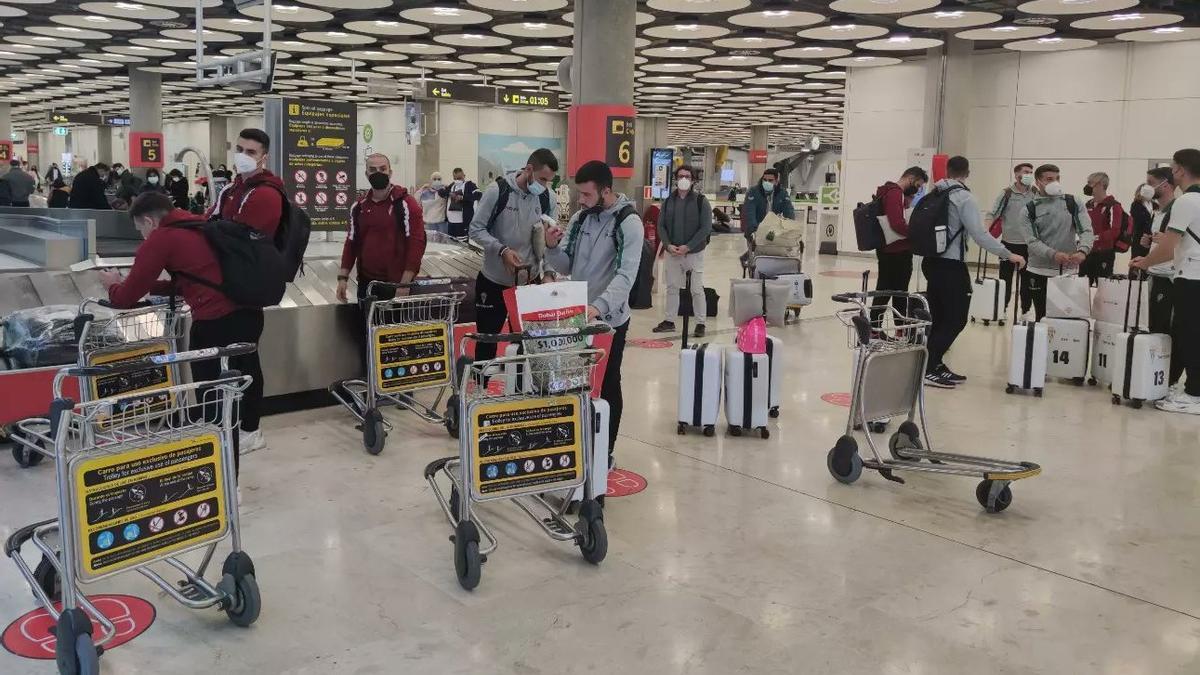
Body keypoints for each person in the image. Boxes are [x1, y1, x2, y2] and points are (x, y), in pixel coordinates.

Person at [97, 192, 260, 480]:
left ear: (148, 221)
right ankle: (231, 471)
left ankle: (223, 482)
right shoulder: (199, 224)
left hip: (214, 325)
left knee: (213, 403)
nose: (143, 237)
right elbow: (196, 278)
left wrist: (113, 285)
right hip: (248, 317)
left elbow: (125, 298)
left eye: (141, 230)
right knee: (231, 399)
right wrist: (155, 288)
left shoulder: (162, 238)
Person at [544, 160, 644, 466]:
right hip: (578, 317)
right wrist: (551, 247)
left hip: (609, 321)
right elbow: (566, 265)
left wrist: (598, 307)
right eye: (580, 194)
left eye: (587, 194)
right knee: (575, 384)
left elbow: (626, 277)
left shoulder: (628, 223)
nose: (581, 200)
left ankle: (605, 451)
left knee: (608, 383)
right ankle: (578, 445)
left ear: (606, 191)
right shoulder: (580, 219)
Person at [204, 128, 285, 452]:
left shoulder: (266, 194)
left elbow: (242, 239)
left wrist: (218, 230)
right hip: (225, 288)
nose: (242, 156)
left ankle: (251, 429)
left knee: (246, 360)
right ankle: (229, 422)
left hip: (248, 289)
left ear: (264, 157)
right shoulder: (232, 190)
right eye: (239, 148)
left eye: (250, 152)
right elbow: (212, 221)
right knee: (228, 361)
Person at [921, 156, 1026, 389]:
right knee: (957, 318)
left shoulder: (934, 194)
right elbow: (979, 234)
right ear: (967, 173)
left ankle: (933, 363)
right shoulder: (964, 197)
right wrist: (1009, 254)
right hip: (951, 266)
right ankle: (928, 368)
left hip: (931, 262)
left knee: (939, 316)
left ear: (947, 171)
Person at [335, 153, 427, 369]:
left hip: (396, 286)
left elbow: (417, 243)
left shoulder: (405, 204)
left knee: (397, 340)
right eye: (373, 170)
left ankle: (400, 388)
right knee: (368, 336)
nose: (378, 174)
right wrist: (343, 277)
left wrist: (404, 283)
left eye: (382, 169)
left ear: (390, 172)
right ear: (366, 173)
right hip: (368, 285)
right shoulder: (358, 207)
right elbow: (351, 242)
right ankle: (372, 385)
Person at [468, 148, 559, 364]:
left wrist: (548, 272)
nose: (545, 186)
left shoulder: (547, 198)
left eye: (550, 181)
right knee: (487, 342)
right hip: (494, 282)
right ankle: (481, 388)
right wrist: (502, 250)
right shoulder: (498, 191)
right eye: (542, 179)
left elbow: (549, 240)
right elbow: (476, 229)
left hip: (529, 284)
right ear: (528, 169)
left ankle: (520, 392)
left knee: (525, 345)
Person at [1132, 148, 1200, 414]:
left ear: (1180, 170)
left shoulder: (1186, 202)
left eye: (1173, 167)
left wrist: (1144, 262)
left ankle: (1194, 394)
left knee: (1189, 335)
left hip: (1191, 276)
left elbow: (1169, 245)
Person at [1022, 164, 1095, 321]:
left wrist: (1083, 250)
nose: (1055, 182)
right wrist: (1052, 254)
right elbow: (1032, 241)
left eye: (1057, 178)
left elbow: (1086, 230)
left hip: (1067, 272)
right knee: (1042, 318)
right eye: (1049, 179)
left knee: (1066, 319)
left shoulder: (1073, 202)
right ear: (1038, 182)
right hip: (1038, 271)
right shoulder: (1029, 209)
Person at [652, 164, 712, 337]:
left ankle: (700, 323)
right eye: (680, 176)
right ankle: (669, 320)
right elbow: (661, 225)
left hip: (694, 253)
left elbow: (705, 228)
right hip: (673, 252)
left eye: (687, 176)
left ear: (693, 180)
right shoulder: (668, 201)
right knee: (672, 287)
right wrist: (668, 244)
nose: (683, 179)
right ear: (676, 179)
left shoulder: (702, 201)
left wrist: (689, 246)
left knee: (696, 288)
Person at [1139, 167, 1182, 388]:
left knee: (1167, 329)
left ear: (1164, 184)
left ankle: (1170, 378)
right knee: (1153, 325)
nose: (1146, 186)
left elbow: (1180, 243)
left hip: (1170, 276)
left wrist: (1166, 240)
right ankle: (1153, 372)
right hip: (1154, 274)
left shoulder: (1179, 209)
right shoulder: (1158, 211)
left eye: (1150, 182)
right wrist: (1148, 245)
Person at [871, 166, 927, 323]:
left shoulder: (887, 191)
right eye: (917, 185)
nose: (916, 191)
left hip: (888, 249)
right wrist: (916, 234)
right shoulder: (895, 193)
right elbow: (896, 224)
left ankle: (877, 328)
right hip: (897, 251)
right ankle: (896, 329)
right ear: (910, 178)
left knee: (886, 290)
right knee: (898, 293)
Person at [990, 163, 1037, 314]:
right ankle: (1001, 309)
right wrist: (985, 231)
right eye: (1026, 172)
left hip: (1029, 245)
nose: (1029, 174)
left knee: (1027, 280)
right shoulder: (1006, 193)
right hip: (1008, 244)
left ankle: (1025, 310)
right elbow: (993, 213)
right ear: (1017, 174)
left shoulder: (1036, 193)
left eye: (1031, 172)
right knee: (1005, 280)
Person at [1082, 172, 1127, 285]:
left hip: (1104, 253)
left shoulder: (1113, 205)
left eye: (1090, 183)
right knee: (1083, 287)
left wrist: (1095, 238)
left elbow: (1115, 230)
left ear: (1101, 185)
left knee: (1103, 289)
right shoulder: (1088, 205)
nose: (1087, 186)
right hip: (1086, 252)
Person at [741, 168, 795, 251]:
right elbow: (749, 212)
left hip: (773, 228)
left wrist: (790, 228)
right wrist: (754, 230)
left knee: (771, 248)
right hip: (756, 225)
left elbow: (789, 211)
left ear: (776, 182)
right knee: (756, 249)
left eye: (770, 180)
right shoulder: (753, 192)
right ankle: (752, 257)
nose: (767, 182)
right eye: (765, 180)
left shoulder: (782, 193)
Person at [443, 167, 478, 239]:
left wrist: (462, 198)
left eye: (459, 178)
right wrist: (449, 193)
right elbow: (441, 193)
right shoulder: (452, 185)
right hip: (451, 221)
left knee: (462, 244)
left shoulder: (469, 185)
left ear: (464, 176)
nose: (457, 180)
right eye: (455, 178)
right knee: (451, 243)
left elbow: (478, 195)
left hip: (462, 221)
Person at [1130, 178, 1156, 264]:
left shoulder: (1155, 205)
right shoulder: (1136, 205)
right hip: (1139, 236)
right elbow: (1139, 219)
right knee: (1137, 260)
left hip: (1151, 237)